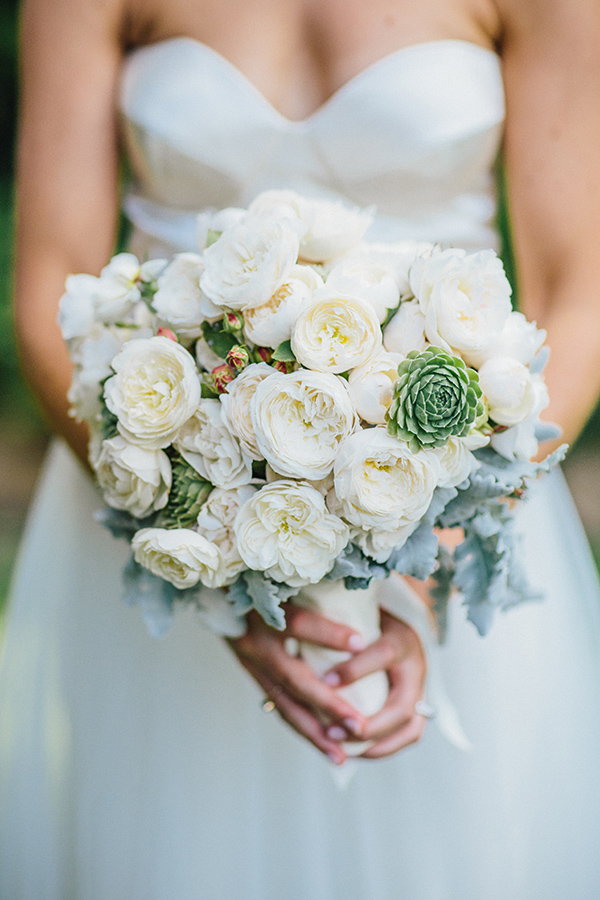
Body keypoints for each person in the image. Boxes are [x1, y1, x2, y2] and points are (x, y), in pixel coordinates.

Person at [2, 0, 600, 896]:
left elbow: (577, 284)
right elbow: (49, 282)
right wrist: (208, 552)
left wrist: (423, 557)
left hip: (459, 507)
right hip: (160, 510)